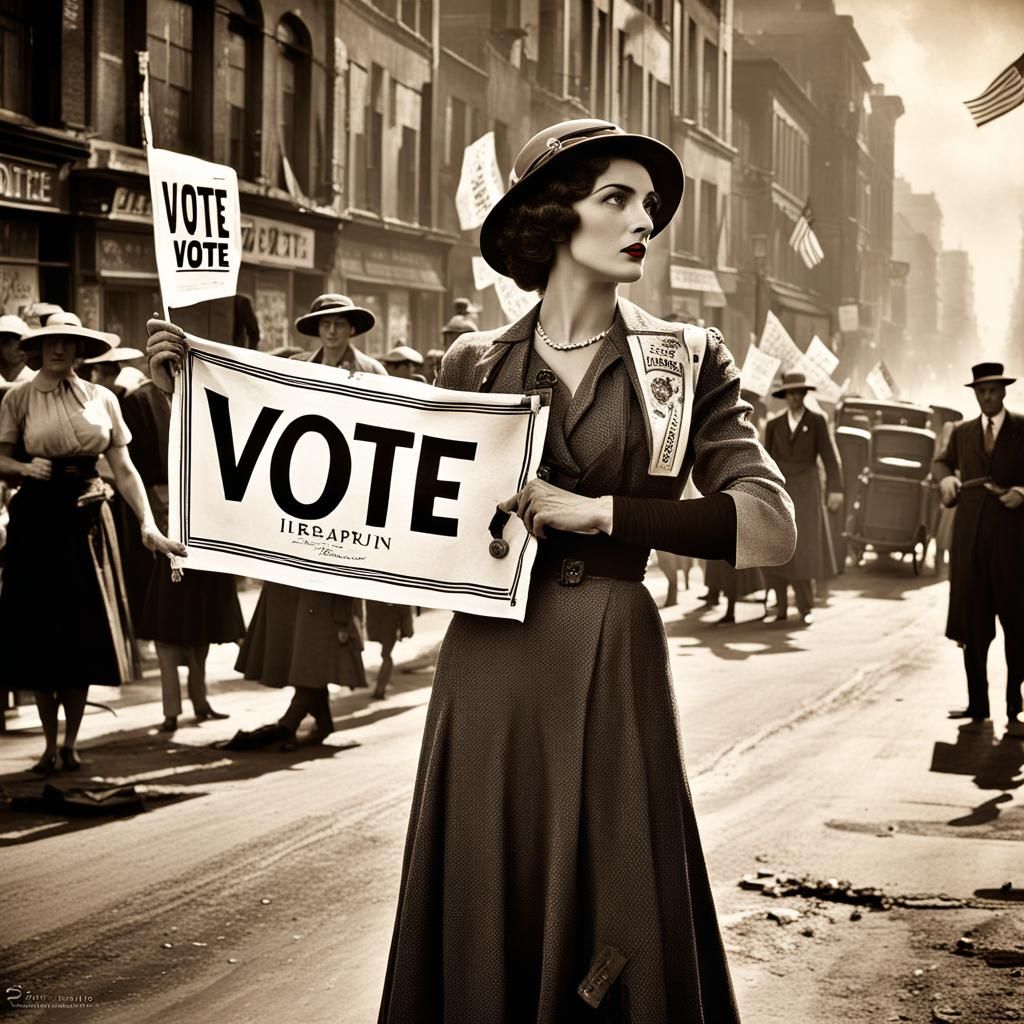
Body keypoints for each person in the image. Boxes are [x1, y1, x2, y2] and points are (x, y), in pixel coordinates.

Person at [373, 118, 796, 1021]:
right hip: (486, 664)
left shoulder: (684, 360)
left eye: (650, 204)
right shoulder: (473, 361)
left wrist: (602, 512)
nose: (646, 219)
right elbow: (398, 514)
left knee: (619, 890)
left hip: (611, 656)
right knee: (487, 885)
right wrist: (205, 470)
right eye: (619, 198)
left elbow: (769, 528)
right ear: (553, 216)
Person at [146, 294, 382, 749]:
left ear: (352, 329)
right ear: (316, 331)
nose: (332, 332)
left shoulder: (371, 373)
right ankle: (319, 718)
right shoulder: (296, 368)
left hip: (347, 514)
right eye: (324, 324)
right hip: (294, 508)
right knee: (294, 615)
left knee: (326, 615)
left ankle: (295, 719)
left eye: (340, 324)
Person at [0, 313, 184, 773]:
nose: (60, 350)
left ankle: (71, 743)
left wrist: (147, 523)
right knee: (41, 636)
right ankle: (46, 744)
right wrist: (25, 470)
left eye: (69, 343)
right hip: (37, 519)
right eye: (51, 343)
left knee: (81, 632)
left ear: (81, 350)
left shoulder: (101, 398)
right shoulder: (17, 397)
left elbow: (124, 468)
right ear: (37, 349)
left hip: (89, 516)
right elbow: (0, 460)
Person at [933, 362, 1024, 738]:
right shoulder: (962, 432)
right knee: (973, 627)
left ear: (1004, 392)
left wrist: (1023, 492)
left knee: (1017, 626)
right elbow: (940, 463)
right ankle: (977, 705)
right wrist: (948, 478)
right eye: (981, 391)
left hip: (1013, 544)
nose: (987, 397)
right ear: (974, 394)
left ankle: (1014, 709)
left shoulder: (1022, 429)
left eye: (993, 390)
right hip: (970, 544)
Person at [763, 372, 843, 626]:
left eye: (799, 393)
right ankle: (781, 607)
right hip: (781, 492)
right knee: (776, 546)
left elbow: (830, 458)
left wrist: (835, 489)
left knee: (804, 549)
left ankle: (805, 606)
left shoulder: (817, 421)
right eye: (790, 393)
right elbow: (766, 461)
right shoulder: (774, 425)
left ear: (805, 395)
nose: (795, 397)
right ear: (784, 396)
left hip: (808, 493)